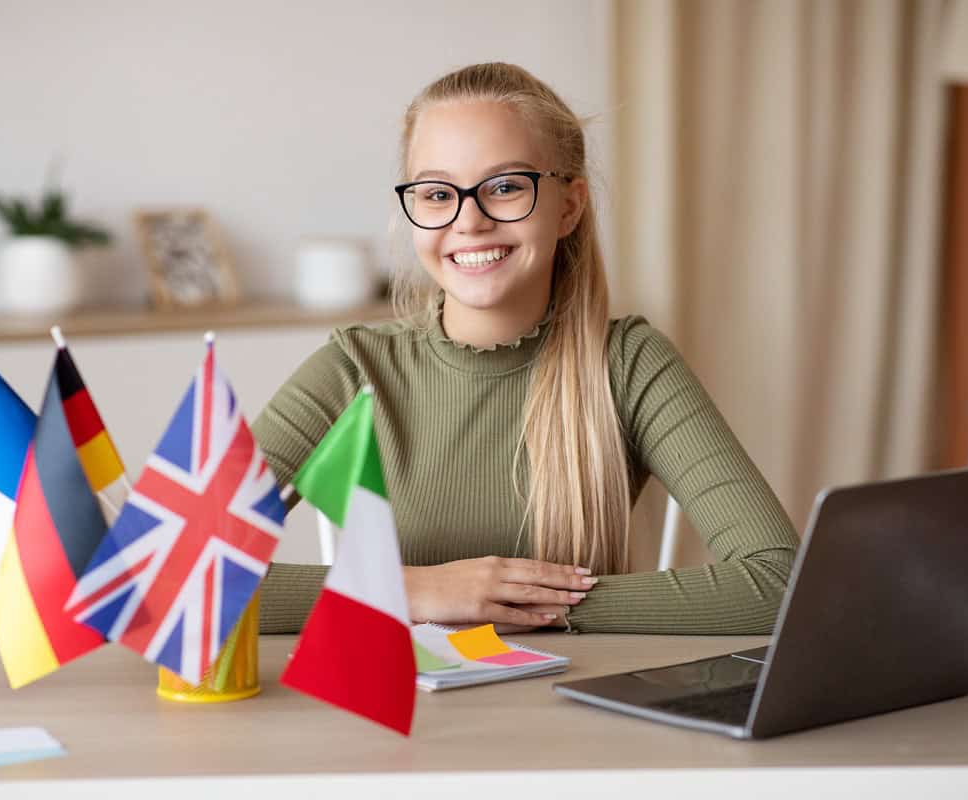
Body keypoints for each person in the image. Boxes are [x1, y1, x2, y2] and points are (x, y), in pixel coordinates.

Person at [252, 62, 798, 635]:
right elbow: (168, 575)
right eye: (438, 194)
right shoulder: (352, 369)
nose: (469, 221)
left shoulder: (630, 363)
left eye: (506, 187)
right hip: (398, 716)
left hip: (580, 711)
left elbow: (779, 582)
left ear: (568, 207)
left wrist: (510, 604)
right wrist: (413, 589)